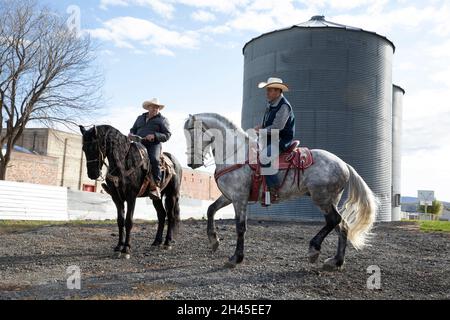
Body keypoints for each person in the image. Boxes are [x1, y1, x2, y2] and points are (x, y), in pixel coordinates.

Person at [255, 77, 295, 203]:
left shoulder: (284, 106)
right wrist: (261, 127)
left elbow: (278, 127)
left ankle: (274, 190)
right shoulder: (271, 105)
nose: (267, 93)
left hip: (281, 140)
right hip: (270, 139)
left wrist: (261, 131)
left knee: (264, 158)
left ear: (278, 91)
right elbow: (269, 123)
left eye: (270, 90)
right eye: (267, 90)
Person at [129, 98, 171, 199]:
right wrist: (130, 134)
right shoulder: (140, 118)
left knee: (154, 159)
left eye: (157, 107)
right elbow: (133, 129)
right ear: (148, 107)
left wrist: (155, 136)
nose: (155, 109)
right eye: (153, 107)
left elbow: (167, 135)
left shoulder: (162, 120)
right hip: (138, 143)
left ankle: (155, 186)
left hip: (153, 145)